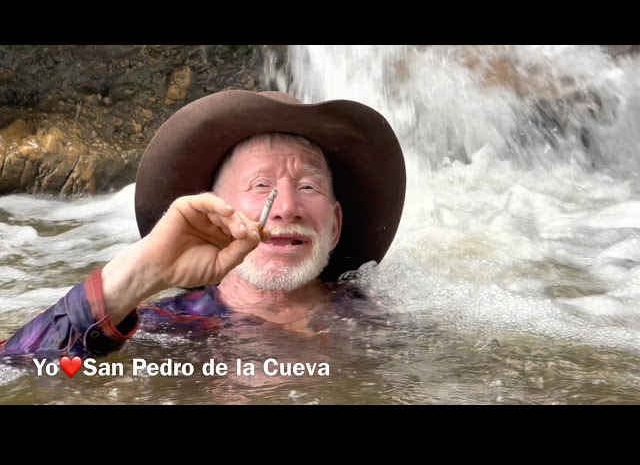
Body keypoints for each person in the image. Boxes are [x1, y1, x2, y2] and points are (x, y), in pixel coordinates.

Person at [0, 89, 406, 359]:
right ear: (213, 212)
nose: (285, 207)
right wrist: (144, 271)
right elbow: (17, 371)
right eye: (260, 184)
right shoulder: (173, 328)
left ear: (334, 225)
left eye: (308, 186)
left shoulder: (385, 317)